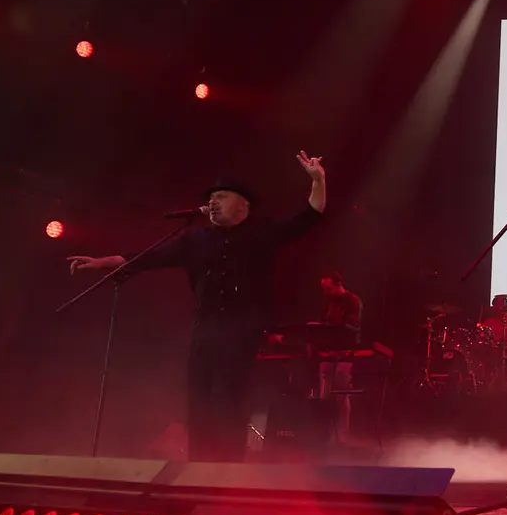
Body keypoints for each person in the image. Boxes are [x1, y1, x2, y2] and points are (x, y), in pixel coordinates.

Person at [67, 152, 327, 462]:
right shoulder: (196, 239)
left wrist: (317, 179)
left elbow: (309, 216)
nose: (214, 202)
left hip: (244, 329)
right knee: (199, 396)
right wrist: (102, 263)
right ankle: (199, 463)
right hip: (205, 328)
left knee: (233, 395)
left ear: (242, 204)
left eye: (221, 196)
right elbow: (149, 257)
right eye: (212, 198)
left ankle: (229, 466)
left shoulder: (262, 232)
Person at [319, 271, 361, 445]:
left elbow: (352, 326)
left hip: (345, 353)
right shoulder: (329, 302)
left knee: (341, 395)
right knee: (324, 394)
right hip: (327, 353)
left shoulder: (353, 301)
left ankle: (342, 437)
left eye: (328, 288)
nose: (325, 292)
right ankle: (326, 435)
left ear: (338, 284)